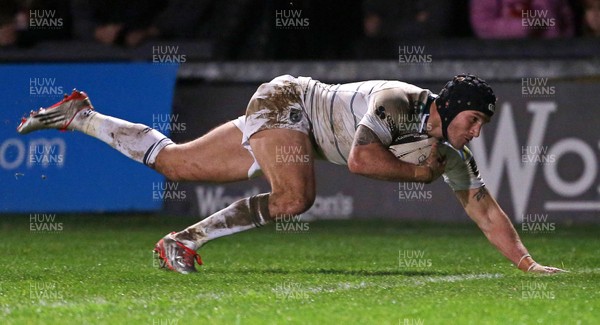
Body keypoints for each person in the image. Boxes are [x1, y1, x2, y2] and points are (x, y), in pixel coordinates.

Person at [17, 74, 565, 275]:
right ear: (452, 107)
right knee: (296, 197)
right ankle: (183, 241)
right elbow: (360, 161)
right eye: (475, 121)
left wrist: (529, 263)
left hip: (294, 122)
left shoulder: (447, 152)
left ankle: (80, 117)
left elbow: (485, 209)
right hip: (289, 102)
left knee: (176, 163)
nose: (477, 132)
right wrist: (415, 177)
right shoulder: (399, 102)